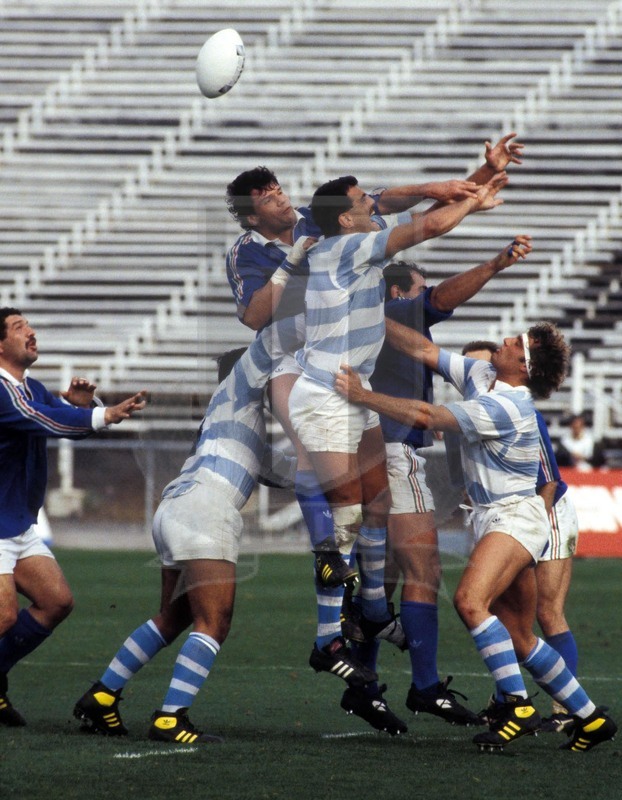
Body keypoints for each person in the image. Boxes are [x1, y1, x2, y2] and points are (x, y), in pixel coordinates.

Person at [73, 315, 384, 744]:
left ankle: (103, 695)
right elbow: (272, 338)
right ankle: (171, 717)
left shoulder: (240, 427)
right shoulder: (238, 387)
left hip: (177, 507)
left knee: (174, 615)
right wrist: (327, 316)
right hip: (206, 508)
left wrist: (343, 467)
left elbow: (298, 474)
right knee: (214, 622)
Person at [285, 170, 506, 731]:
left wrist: (470, 181)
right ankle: (328, 639)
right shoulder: (347, 247)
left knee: (374, 517)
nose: (372, 206)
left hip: (351, 398)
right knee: (353, 523)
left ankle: (377, 619)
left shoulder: (354, 237)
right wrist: (474, 203)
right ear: (345, 217)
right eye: (363, 202)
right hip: (328, 395)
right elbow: (423, 227)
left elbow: (405, 205)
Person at [335, 318, 618, 753]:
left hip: (515, 516)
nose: (505, 339)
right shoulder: (484, 374)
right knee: (520, 634)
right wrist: (374, 311)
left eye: (517, 343)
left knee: (469, 601)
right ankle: (591, 717)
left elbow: (428, 415)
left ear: (523, 366)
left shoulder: (509, 405)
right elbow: (425, 351)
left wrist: (362, 396)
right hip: (493, 516)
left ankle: (519, 706)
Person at [368, 236, 533, 727]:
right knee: (424, 573)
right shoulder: (395, 312)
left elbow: (431, 351)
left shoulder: (359, 323)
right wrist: (496, 263)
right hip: (395, 448)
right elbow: (441, 300)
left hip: (358, 454)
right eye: (417, 291)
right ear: (400, 295)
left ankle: (363, 682)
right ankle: (424, 687)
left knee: (383, 577)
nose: (426, 300)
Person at [0, 307, 146, 727]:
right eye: (18, 327)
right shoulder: (3, 391)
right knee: (4, 616)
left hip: (16, 522)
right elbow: (41, 420)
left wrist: (82, 406)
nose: (31, 331)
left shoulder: (31, 387)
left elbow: (59, 415)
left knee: (55, 602)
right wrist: (103, 415)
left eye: (29, 324)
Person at [461, 340, 582, 736]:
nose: (480, 374)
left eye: (483, 365)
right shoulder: (477, 407)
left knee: (544, 613)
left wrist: (536, 532)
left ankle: (564, 710)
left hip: (543, 515)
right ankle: (510, 702)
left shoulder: (521, 412)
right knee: (499, 613)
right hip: (508, 518)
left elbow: (550, 481)